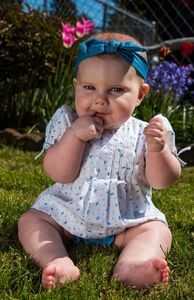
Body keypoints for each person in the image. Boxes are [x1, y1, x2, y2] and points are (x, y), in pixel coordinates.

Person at [18, 32, 182, 290]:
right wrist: (75, 137)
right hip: (67, 217)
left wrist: (158, 150)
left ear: (140, 94)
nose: (100, 99)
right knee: (32, 220)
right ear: (76, 86)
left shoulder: (148, 132)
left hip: (127, 222)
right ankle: (56, 260)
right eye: (89, 87)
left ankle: (134, 263)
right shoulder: (67, 124)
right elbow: (58, 173)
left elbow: (163, 181)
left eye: (116, 89)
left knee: (157, 230)